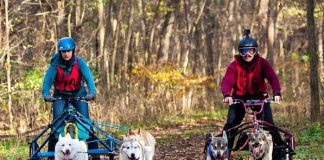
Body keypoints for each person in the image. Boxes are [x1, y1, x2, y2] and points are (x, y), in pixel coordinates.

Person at [220, 29, 285, 157]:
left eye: (250, 51)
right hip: (239, 99)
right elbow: (227, 81)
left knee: (268, 124)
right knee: (231, 125)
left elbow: (272, 77)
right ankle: (225, 152)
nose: (247, 55)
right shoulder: (234, 65)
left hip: (260, 98)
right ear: (239, 52)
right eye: (243, 51)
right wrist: (227, 94)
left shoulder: (262, 63)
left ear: (255, 51)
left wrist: (277, 92)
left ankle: (279, 150)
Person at [42, 37, 98, 159]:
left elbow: (89, 78)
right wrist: (46, 94)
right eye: (63, 51)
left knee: (85, 123)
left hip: (78, 93)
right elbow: (47, 80)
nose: (66, 54)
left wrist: (92, 92)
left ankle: (95, 153)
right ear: (59, 52)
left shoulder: (79, 62)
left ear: (73, 50)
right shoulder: (55, 64)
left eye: (68, 51)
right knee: (57, 124)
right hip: (60, 95)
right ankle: (52, 155)